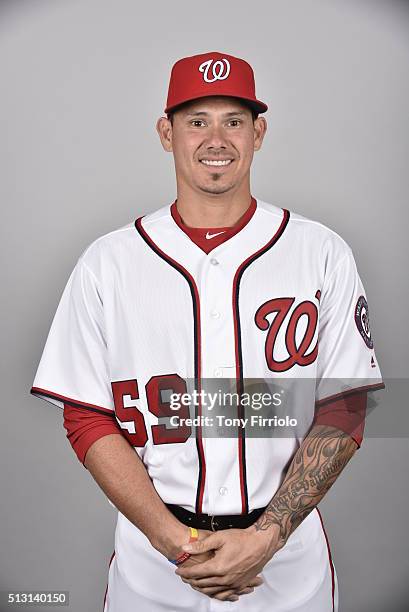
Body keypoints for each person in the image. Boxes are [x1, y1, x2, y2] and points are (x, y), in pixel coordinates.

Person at [31, 51, 384, 611]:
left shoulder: (321, 253)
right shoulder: (109, 263)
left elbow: (344, 406)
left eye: (233, 121)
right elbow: (86, 414)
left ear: (258, 132)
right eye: (197, 121)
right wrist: (173, 542)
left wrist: (266, 538)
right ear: (165, 132)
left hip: (288, 565)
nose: (215, 138)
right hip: (154, 563)